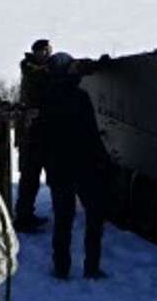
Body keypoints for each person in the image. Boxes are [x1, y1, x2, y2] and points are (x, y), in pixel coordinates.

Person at [32, 53, 108, 279]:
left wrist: (43, 165)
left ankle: (61, 268)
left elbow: (40, 140)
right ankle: (91, 267)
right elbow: (92, 135)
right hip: (85, 166)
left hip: (59, 168)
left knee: (63, 221)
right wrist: (102, 161)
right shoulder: (80, 97)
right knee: (94, 217)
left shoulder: (45, 100)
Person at [14, 39, 52, 233]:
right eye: (44, 51)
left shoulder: (38, 69)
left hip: (38, 134)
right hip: (31, 136)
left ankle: (26, 214)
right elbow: (40, 79)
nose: (48, 54)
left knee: (32, 179)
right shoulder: (31, 70)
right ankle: (23, 216)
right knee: (30, 178)